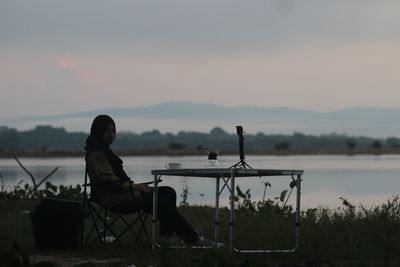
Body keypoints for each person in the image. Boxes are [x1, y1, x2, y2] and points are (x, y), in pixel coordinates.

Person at [85, 115, 201, 243]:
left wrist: (135, 186)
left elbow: (117, 181)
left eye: (113, 131)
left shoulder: (105, 151)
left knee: (168, 192)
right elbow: (110, 183)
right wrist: (135, 187)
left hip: (123, 191)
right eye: (107, 131)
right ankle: (192, 237)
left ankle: (166, 236)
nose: (111, 134)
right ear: (98, 131)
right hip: (113, 198)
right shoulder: (96, 153)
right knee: (153, 199)